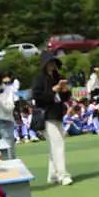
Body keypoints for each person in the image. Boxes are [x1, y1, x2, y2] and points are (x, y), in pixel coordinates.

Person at [32, 53, 74, 186]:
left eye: (54, 63)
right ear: (45, 64)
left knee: (54, 146)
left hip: (57, 114)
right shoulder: (39, 79)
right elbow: (37, 97)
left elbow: (65, 97)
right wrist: (53, 90)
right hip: (46, 116)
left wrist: (65, 90)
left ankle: (53, 175)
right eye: (50, 63)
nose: (52, 65)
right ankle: (63, 175)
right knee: (58, 144)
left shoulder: (58, 77)